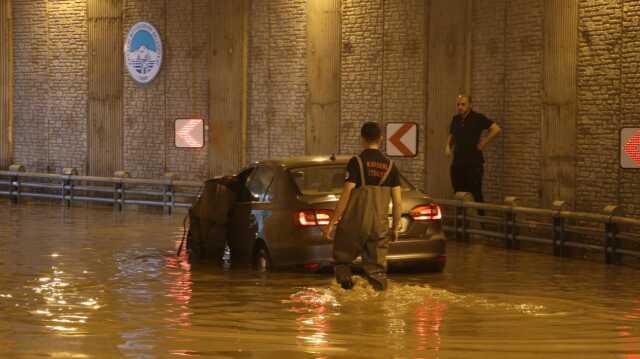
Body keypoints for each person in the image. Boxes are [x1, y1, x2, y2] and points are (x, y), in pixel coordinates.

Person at [324, 122, 402, 291]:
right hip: (379, 226)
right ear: (381, 139)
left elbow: (346, 195)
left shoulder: (356, 162)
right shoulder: (391, 166)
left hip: (355, 222)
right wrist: (395, 227)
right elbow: (397, 201)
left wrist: (332, 222)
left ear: (362, 139)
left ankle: (347, 299)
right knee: (377, 271)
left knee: (342, 261)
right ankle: (377, 308)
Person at [445, 95, 501, 214]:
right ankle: (462, 225)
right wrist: (447, 146)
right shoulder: (456, 119)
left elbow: (496, 129)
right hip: (458, 163)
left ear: (470, 105)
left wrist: (484, 142)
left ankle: (481, 223)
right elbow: (451, 135)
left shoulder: (478, 118)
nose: (460, 107)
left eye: (463, 104)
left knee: (475, 193)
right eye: (458, 104)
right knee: (459, 194)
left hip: (473, 163)